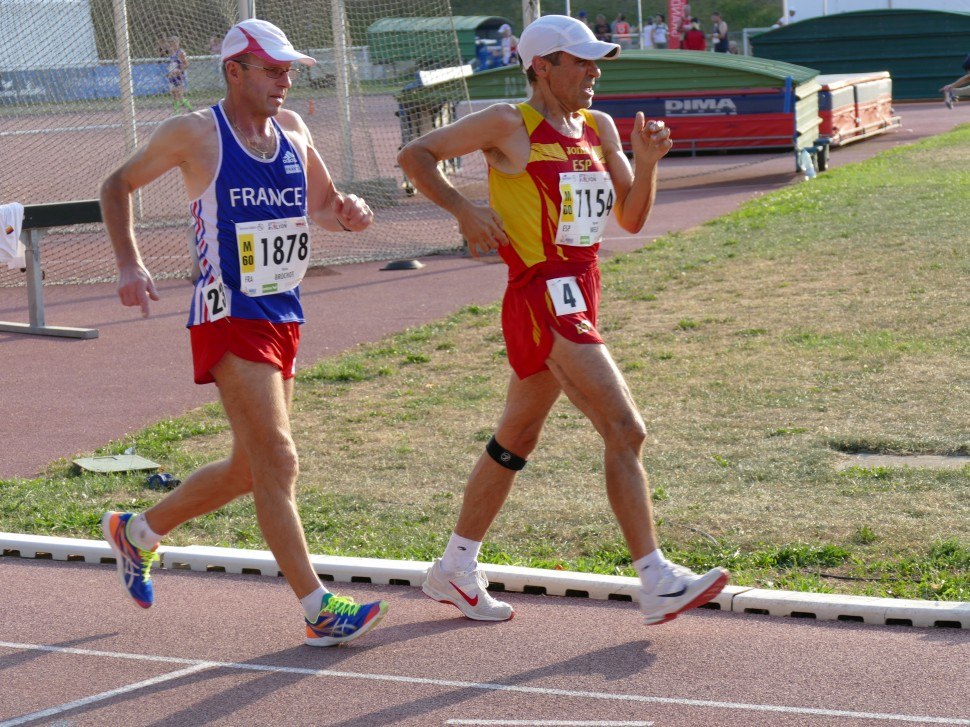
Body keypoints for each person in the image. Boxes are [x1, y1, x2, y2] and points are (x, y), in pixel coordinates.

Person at [398, 14, 729, 626]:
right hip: (542, 294)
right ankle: (655, 577)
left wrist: (646, 161)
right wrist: (464, 209)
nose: (594, 72)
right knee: (625, 429)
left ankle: (453, 567)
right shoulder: (508, 124)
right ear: (542, 67)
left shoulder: (598, 126)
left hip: (583, 287)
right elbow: (414, 154)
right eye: (581, 62)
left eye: (596, 61)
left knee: (516, 439)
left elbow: (630, 219)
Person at [99, 18, 387, 648]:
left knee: (249, 468)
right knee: (279, 460)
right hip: (227, 312)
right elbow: (116, 184)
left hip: (284, 311)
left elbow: (324, 208)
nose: (285, 82)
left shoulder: (293, 130)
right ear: (235, 71)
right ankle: (317, 607)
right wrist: (128, 261)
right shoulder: (196, 133)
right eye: (274, 70)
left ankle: (137, 531)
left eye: (289, 71)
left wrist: (352, 214)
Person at [165, 35, 193, 114]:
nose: (172, 44)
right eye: (171, 43)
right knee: (174, 95)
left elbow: (186, 64)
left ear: (178, 43)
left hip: (179, 77)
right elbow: (172, 65)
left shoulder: (180, 52)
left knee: (179, 95)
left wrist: (179, 70)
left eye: (174, 42)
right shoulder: (172, 53)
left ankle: (191, 108)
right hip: (172, 77)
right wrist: (169, 73)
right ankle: (176, 112)